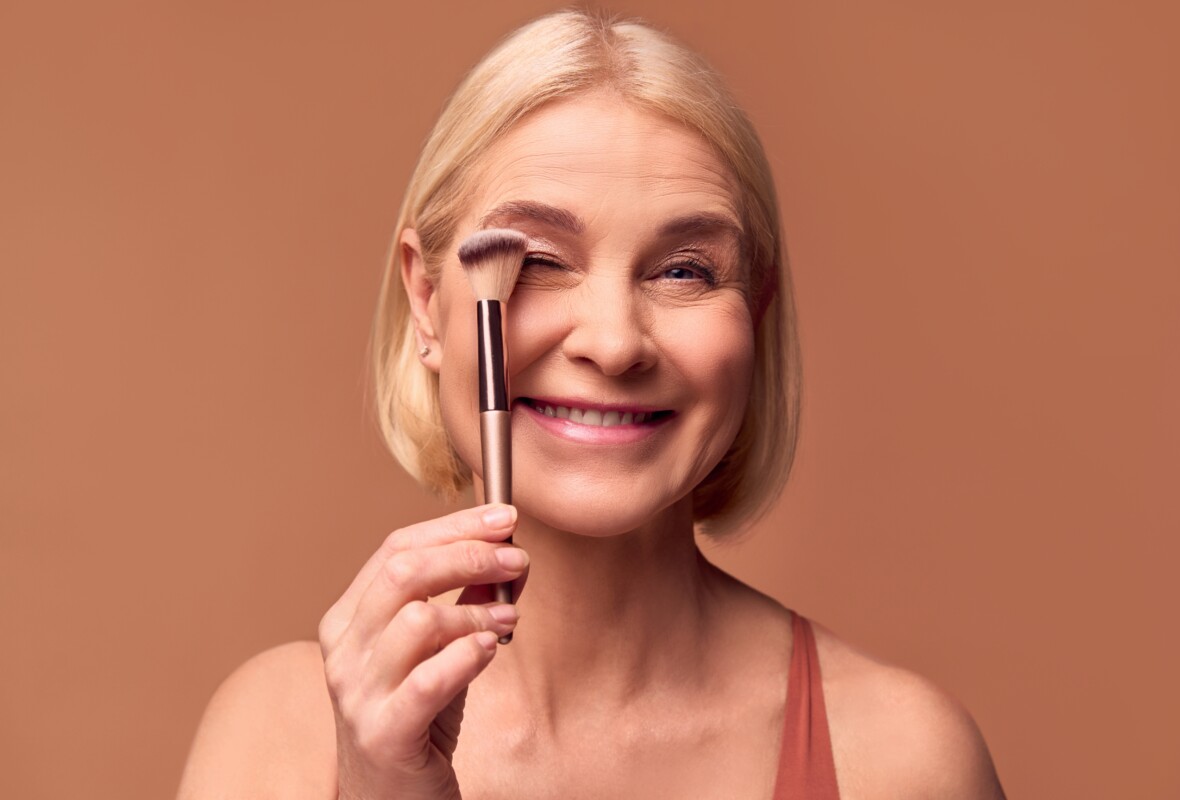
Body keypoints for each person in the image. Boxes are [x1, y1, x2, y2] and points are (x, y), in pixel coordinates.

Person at [178, 9, 1006, 799]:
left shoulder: (906, 758)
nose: (614, 343)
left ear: (755, 313)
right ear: (426, 303)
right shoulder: (276, 737)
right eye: (539, 261)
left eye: (684, 270)